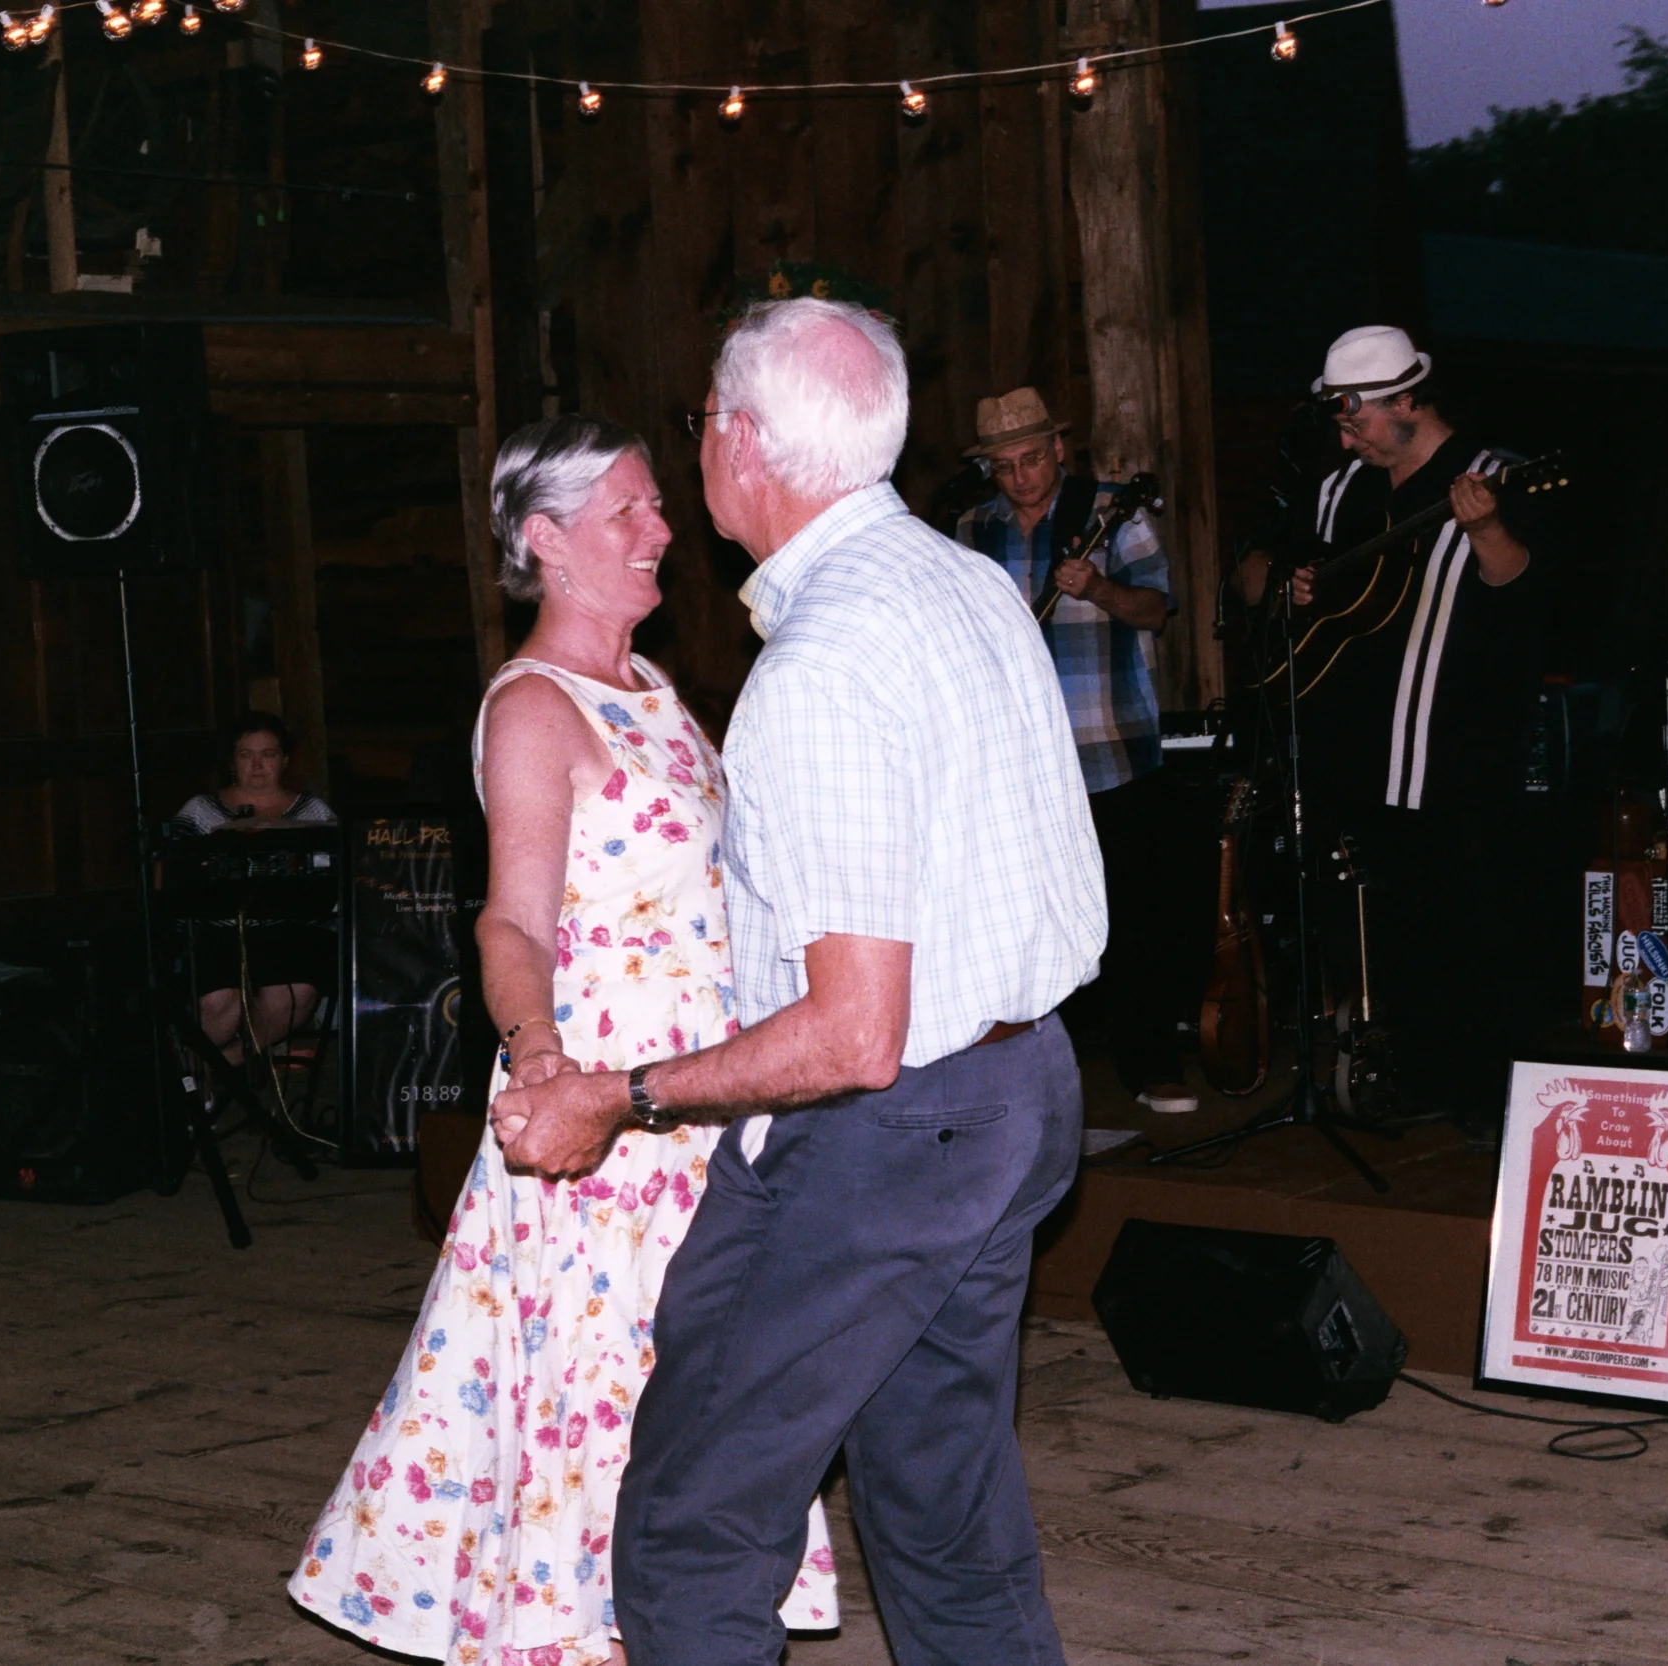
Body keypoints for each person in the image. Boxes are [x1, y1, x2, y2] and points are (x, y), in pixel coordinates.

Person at [490, 298, 1105, 1665]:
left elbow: (853, 1034)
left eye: (704, 417)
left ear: (746, 443)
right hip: (1023, 1089)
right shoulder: (964, 581)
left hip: (888, 1131)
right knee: (941, 1509)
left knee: (692, 1530)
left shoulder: (822, 664)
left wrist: (621, 1093)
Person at [287, 416, 836, 1665]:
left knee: (697, 1398)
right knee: (610, 1412)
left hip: (695, 1103)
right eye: (627, 511)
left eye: (656, 505)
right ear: (544, 539)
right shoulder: (535, 708)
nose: (662, 530)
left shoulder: (652, 690)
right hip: (608, 1119)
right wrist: (538, 1051)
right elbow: (512, 920)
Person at [1235, 324, 1552, 1139]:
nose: (1347, 439)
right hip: (1356, 745)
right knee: (1390, 928)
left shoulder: (1490, 472)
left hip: (1458, 747)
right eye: (1340, 423)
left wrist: (1486, 529)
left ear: (1408, 399)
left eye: (1358, 420)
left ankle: (1494, 1100)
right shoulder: (1341, 485)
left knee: (1475, 923)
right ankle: (1418, 1077)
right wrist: (1287, 584)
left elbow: (1521, 587)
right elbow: (1258, 569)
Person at [953, 386, 1195, 1115]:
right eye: (1004, 466)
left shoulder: (1116, 513)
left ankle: (1151, 1064)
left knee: (1134, 915)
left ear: (1059, 448)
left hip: (1110, 747)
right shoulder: (972, 528)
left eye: (1032, 459)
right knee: (1027, 917)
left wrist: (1099, 588)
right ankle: (1037, 1077)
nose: (1020, 476)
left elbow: (1156, 611)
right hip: (1018, 764)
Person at [172, 712, 337, 1063]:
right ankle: (198, 1072)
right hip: (217, 933)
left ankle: (227, 1064)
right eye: (247, 755)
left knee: (294, 993)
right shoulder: (200, 811)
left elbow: (334, 879)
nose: (257, 765)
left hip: (290, 932)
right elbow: (172, 876)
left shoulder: (314, 812)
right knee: (219, 1003)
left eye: (268, 755)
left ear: (285, 760)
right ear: (233, 761)